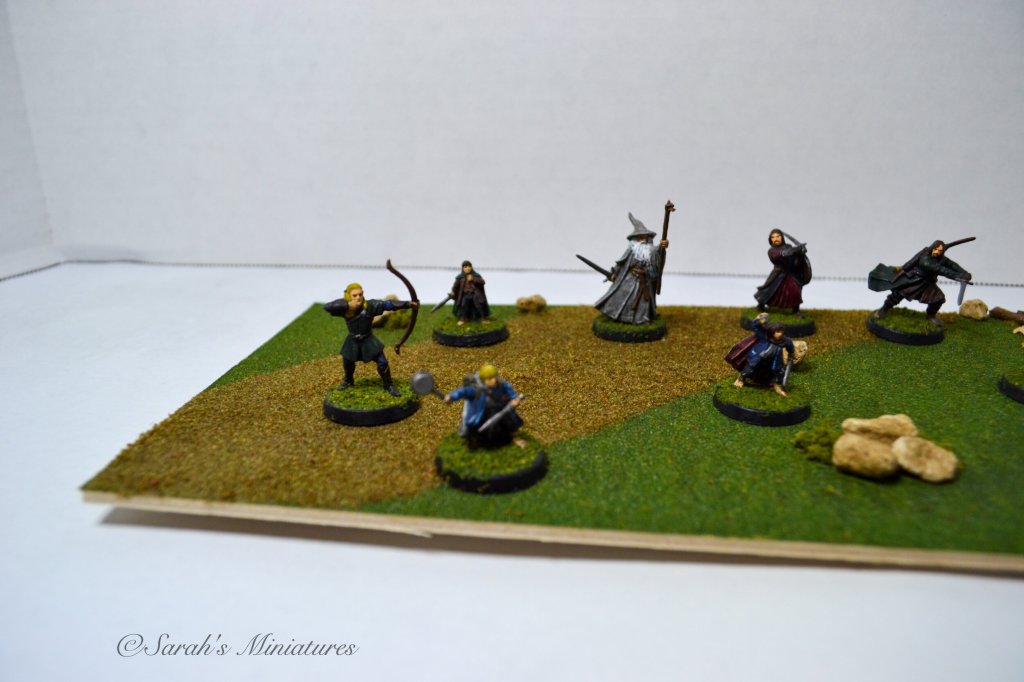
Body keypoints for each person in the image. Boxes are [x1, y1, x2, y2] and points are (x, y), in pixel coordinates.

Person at [323, 283, 417, 396]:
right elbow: (327, 307)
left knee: (382, 362)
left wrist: (407, 304)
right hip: (352, 341)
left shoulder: (370, 306)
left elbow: (388, 304)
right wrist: (347, 305)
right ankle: (348, 381)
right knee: (347, 362)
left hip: (368, 340)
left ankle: (388, 385)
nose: (358, 297)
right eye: (354, 295)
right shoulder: (345, 309)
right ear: (348, 297)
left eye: (360, 294)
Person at [869, 240, 972, 325]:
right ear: (932, 247)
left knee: (939, 299)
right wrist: (960, 276)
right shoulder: (925, 258)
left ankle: (930, 316)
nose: (937, 252)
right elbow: (940, 270)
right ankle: (884, 309)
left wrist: (964, 273)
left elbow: (952, 265)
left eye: (940, 251)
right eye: (936, 249)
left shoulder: (941, 259)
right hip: (914, 280)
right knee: (897, 295)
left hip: (928, 284)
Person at [593, 214, 669, 324]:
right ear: (635, 239)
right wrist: (614, 273)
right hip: (629, 279)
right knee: (622, 297)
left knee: (643, 302)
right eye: (640, 237)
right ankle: (621, 316)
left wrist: (662, 247)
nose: (643, 239)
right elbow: (621, 263)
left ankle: (642, 319)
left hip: (645, 280)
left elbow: (658, 255)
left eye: (644, 237)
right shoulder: (631, 250)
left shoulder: (652, 251)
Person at [444, 364, 525, 448]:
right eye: (489, 379)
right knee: (476, 429)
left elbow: (512, 394)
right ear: (484, 380)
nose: (492, 380)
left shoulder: (502, 385)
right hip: (482, 412)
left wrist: (515, 399)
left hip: (501, 410)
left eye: (493, 377)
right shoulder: (477, 389)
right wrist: (451, 396)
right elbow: (464, 391)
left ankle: (511, 437)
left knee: (508, 422)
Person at [725, 313, 796, 397]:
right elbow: (756, 327)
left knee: (779, 371)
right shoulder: (765, 336)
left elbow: (790, 346)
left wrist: (791, 353)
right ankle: (741, 378)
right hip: (758, 356)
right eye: (777, 331)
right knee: (750, 368)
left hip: (774, 359)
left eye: (781, 331)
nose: (780, 334)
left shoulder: (785, 340)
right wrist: (757, 320)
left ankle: (777, 385)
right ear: (772, 331)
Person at [754, 229, 811, 315]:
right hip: (778, 274)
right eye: (773, 237)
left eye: (778, 236)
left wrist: (801, 252)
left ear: (782, 238)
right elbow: (783, 254)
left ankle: (796, 310)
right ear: (770, 239)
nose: (776, 239)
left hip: (790, 273)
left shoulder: (788, 246)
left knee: (796, 289)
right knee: (768, 290)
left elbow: (795, 258)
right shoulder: (772, 251)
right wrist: (796, 249)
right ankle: (760, 305)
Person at [450, 260, 491, 325]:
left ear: (471, 267)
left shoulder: (476, 275)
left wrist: (473, 279)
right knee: (463, 306)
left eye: (469, 266)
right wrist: (453, 291)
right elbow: (455, 286)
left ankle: (482, 319)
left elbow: (482, 282)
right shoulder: (460, 277)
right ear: (463, 268)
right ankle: (463, 319)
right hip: (465, 295)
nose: (467, 268)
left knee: (479, 306)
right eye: (465, 267)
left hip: (475, 294)